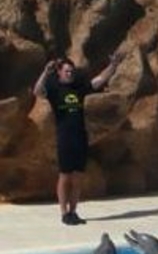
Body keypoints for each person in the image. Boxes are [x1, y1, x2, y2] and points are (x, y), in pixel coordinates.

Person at [33, 54, 123, 225]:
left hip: (80, 136)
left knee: (78, 176)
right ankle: (64, 213)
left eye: (71, 71)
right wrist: (45, 72)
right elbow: (37, 91)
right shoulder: (53, 88)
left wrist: (113, 65)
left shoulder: (78, 86)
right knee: (65, 176)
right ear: (59, 72)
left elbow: (99, 80)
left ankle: (73, 211)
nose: (70, 74)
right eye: (67, 71)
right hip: (64, 137)